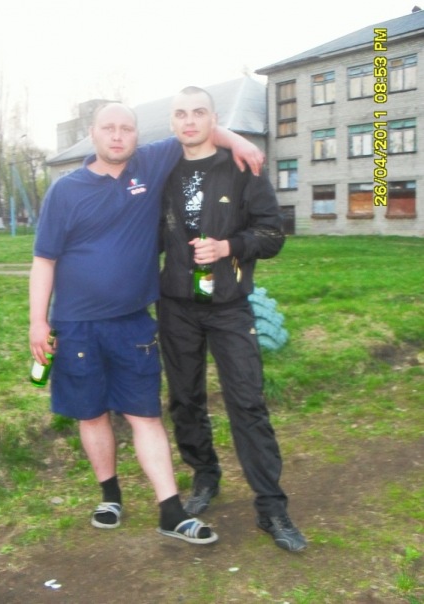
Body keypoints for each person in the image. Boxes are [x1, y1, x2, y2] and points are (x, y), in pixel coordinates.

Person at [29, 102, 264, 545]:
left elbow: (197, 131)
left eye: (126, 128)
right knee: (91, 413)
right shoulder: (65, 191)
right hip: (75, 324)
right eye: (108, 128)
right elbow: (44, 260)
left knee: (146, 415)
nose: (118, 136)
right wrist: (37, 322)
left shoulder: (150, 164)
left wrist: (240, 141)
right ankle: (110, 496)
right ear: (93, 134)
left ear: (137, 135)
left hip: (133, 323)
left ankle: (171, 512)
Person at [158, 87, 307, 552]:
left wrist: (229, 247)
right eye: (181, 114)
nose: (189, 121)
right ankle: (205, 476)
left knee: (247, 402)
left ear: (214, 119)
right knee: (185, 400)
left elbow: (272, 233)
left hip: (228, 306)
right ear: (172, 122)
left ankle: (271, 507)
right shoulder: (162, 169)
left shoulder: (242, 167)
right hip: (176, 305)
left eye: (198, 112)